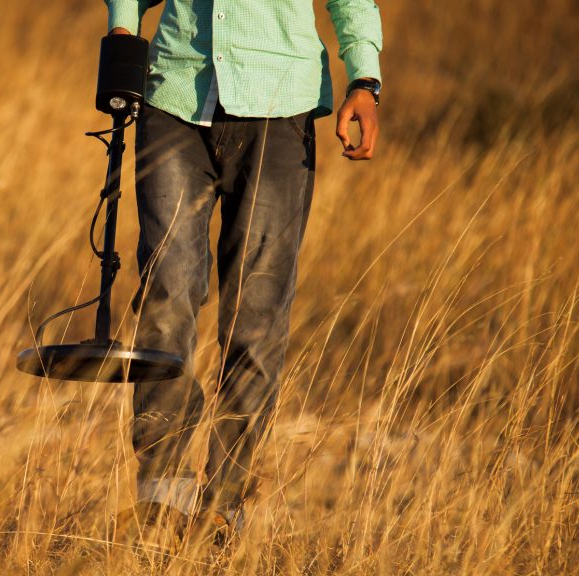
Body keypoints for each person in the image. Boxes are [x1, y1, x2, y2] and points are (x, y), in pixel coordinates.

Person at [106, 0, 383, 549]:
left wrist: (364, 79)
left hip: (281, 105)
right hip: (176, 90)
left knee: (255, 316)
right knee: (166, 289)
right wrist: (122, 29)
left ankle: (222, 507)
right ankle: (162, 495)